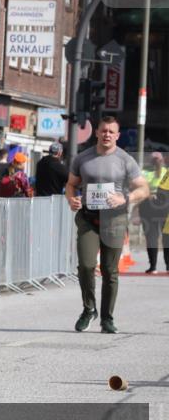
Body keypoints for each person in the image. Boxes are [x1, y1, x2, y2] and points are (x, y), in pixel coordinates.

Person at [66, 116, 149, 333]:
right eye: (104, 130)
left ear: (117, 135)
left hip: (114, 220)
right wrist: (71, 198)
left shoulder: (125, 160)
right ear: (97, 132)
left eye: (111, 132)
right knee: (85, 265)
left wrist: (125, 199)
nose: (107, 135)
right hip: (89, 218)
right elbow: (71, 184)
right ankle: (89, 309)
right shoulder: (83, 158)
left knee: (110, 270)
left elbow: (144, 188)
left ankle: (107, 319)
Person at [138, 152, 168, 273]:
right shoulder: (166, 172)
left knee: (151, 238)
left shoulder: (143, 173)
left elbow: (138, 188)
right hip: (165, 206)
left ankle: (153, 267)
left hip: (147, 206)